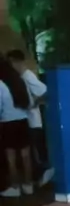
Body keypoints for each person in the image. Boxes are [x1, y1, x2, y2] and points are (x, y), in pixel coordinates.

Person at [7, 50, 54, 187]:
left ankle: (44, 176)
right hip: (28, 120)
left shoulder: (27, 76)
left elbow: (46, 92)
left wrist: (33, 103)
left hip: (34, 121)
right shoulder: (20, 78)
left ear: (18, 62)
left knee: (36, 151)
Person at [0, 55, 34, 197]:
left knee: (11, 158)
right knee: (26, 156)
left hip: (8, 123)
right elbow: (29, 103)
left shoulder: (1, 84)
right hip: (23, 121)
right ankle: (28, 185)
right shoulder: (20, 80)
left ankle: (15, 188)